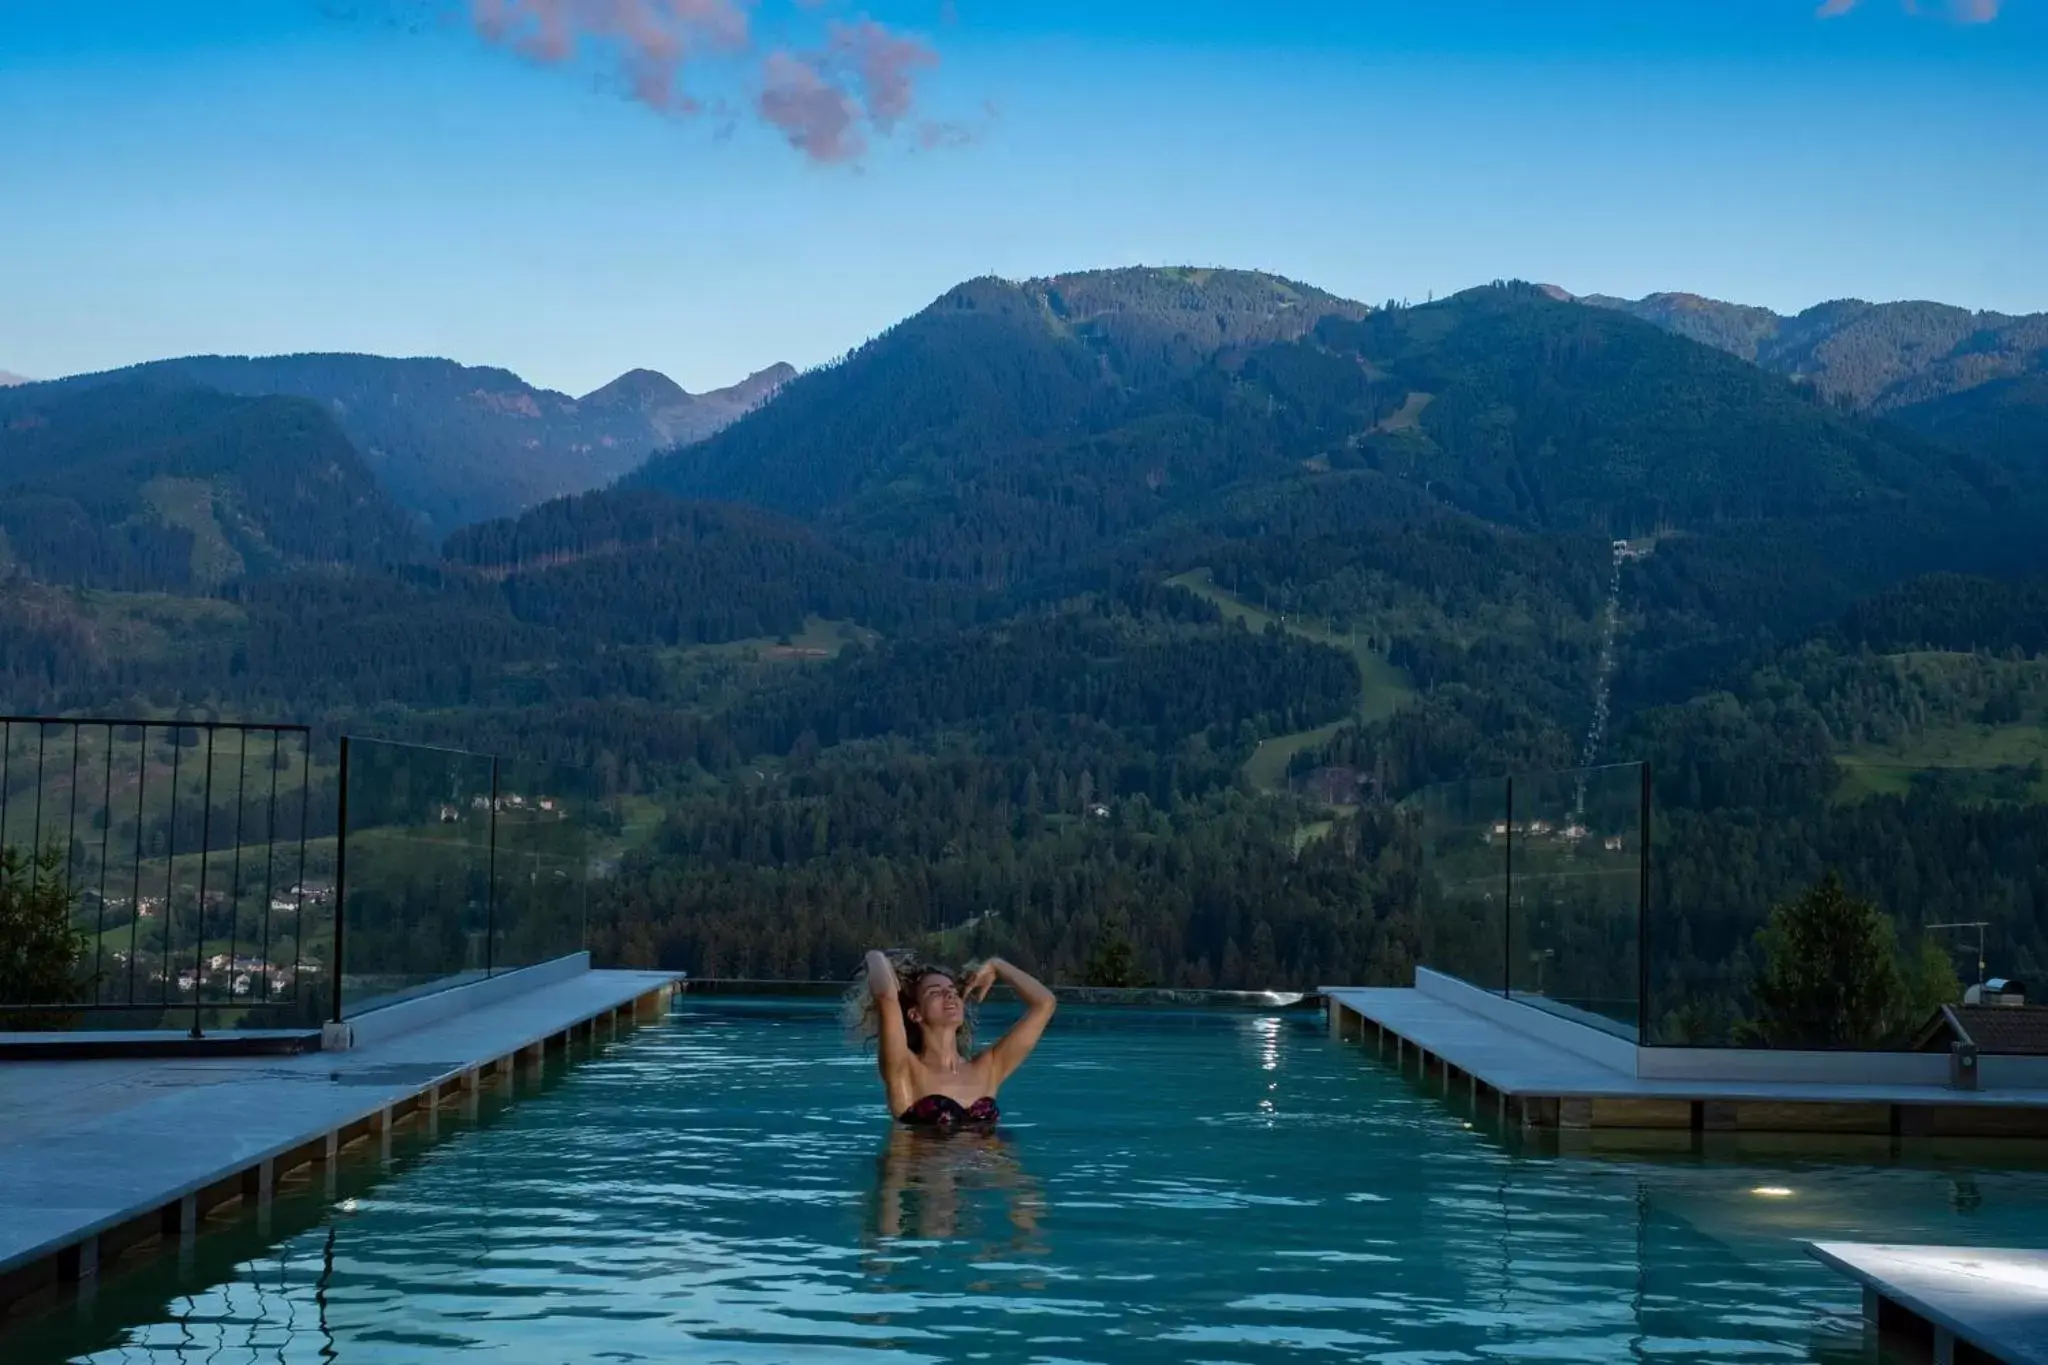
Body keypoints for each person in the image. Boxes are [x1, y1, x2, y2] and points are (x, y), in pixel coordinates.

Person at [850, 950, 1057, 1128]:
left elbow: (1045, 1003)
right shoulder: (905, 1069)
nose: (949, 996)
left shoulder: (988, 1067)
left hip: (988, 1170)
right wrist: (873, 955)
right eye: (935, 993)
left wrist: (997, 965)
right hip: (921, 1172)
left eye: (952, 991)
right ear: (915, 1014)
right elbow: (886, 996)